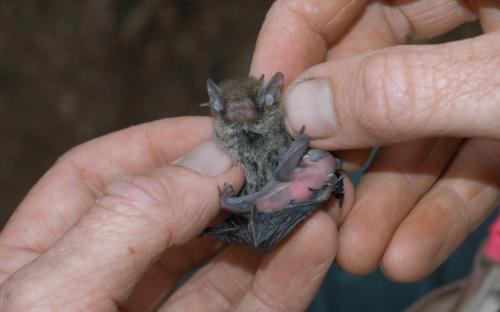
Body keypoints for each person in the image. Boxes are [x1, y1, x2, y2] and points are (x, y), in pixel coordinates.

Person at [0, 1, 498, 311]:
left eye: (248, 108)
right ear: (217, 110)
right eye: (228, 111)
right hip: (270, 196)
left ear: (269, 100)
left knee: (316, 186)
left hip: (290, 177)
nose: (238, 115)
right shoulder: (227, 138)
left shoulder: (281, 115)